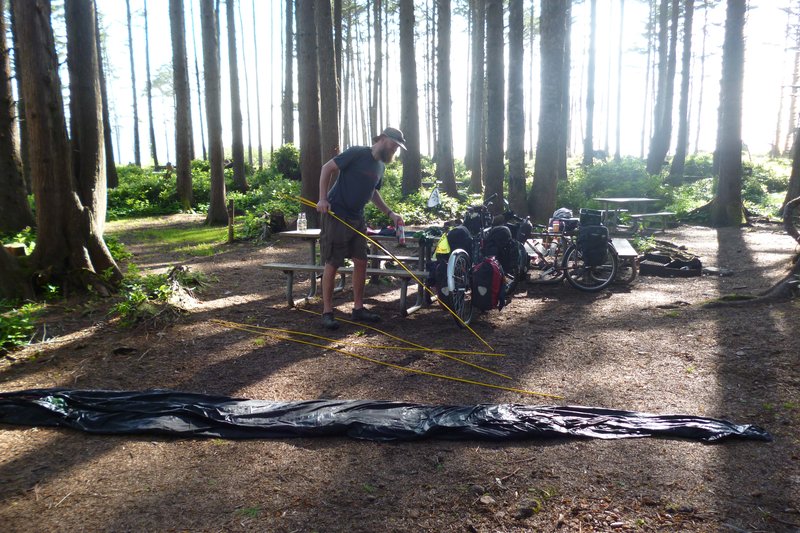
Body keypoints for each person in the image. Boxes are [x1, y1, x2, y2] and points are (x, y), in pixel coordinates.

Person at [316, 127, 407, 330]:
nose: (395, 150)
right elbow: (326, 168)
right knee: (333, 262)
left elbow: (373, 192)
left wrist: (390, 213)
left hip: (357, 217)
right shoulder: (357, 153)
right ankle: (327, 312)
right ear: (383, 139)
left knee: (361, 261)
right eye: (394, 145)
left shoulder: (381, 166)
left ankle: (358, 309)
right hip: (337, 213)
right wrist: (322, 199)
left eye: (398, 147)